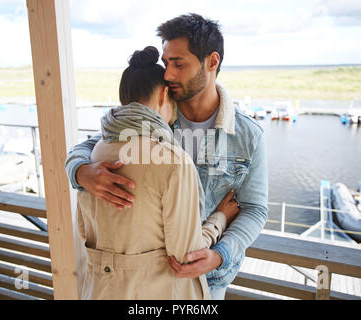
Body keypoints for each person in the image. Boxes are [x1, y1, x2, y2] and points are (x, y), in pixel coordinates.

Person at [66, 13, 268, 300]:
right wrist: (80, 171)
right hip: (151, 283)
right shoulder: (158, 114)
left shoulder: (249, 135)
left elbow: (255, 208)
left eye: (179, 64)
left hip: (212, 279)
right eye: (166, 63)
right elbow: (93, 144)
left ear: (212, 62)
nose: (169, 74)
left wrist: (220, 254)